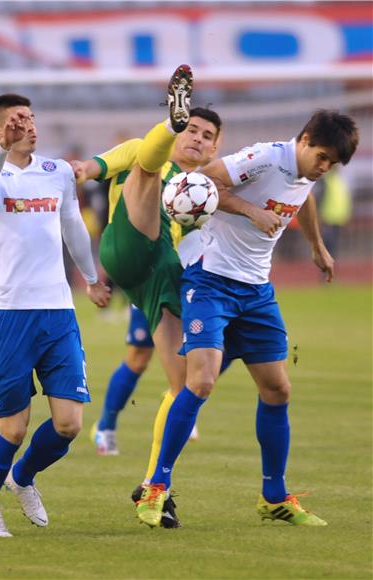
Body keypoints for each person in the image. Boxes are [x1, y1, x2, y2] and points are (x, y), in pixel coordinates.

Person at [136, 109, 359, 528]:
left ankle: (274, 496)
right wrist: (250, 211)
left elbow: (303, 197)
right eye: (323, 157)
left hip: (256, 292)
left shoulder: (306, 174)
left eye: (332, 163)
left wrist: (316, 246)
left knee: (278, 389)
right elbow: (207, 179)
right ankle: (155, 487)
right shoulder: (265, 157)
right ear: (306, 139)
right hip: (210, 281)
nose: (324, 168)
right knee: (199, 382)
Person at [72, 65, 220, 526]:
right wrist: (78, 169)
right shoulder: (143, 150)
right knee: (147, 170)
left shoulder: (210, 187)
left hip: (159, 277)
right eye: (190, 127)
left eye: (205, 134)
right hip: (127, 243)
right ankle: (108, 426)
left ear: (216, 148)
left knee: (186, 388)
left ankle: (156, 487)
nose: (197, 137)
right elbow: (94, 168)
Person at [0, 93, 111, 538]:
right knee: (12, 427)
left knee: (69, 423)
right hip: (9, 312)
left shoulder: (58, 172)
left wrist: (89, 276)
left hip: (57, 309)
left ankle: (22, 477)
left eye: (29, 116)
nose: (27, 123)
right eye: (15, 119)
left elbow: (72, 225)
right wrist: (0, 148)